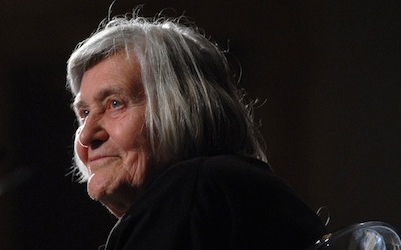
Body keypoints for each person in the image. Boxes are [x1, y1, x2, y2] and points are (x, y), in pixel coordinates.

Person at [66, 14, 327, 249]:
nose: (87, 136)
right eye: (85, 113)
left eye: (115, 104)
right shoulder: (219, 192)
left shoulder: (194, 191)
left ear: (181, 108)